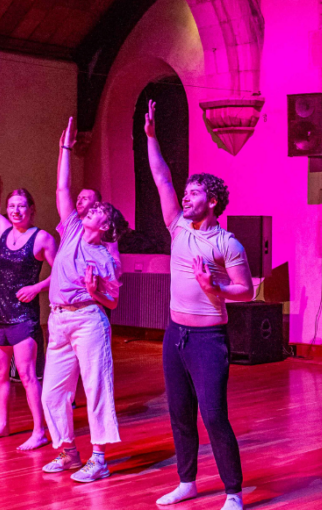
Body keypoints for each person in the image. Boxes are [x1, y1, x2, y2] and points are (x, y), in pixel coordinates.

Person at [144, 99, 254, 509]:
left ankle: (233, 492)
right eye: (186, 192)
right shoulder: (178, 228)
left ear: (212, 202)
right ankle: (187, 481)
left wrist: (216, 290)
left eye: (194, 194)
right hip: (175, 334)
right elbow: (161, 178)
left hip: (209, 340)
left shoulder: (227, 243)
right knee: (179, 413)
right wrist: (152, 137)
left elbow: (248, 291)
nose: (185, 197)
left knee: (213, 416)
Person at [40, 118, 127, 483]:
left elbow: (113, 303)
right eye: (92, 209)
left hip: (89, 320)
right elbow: (62, 188)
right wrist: (64, 149)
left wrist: (96, 292)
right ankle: (69, 452)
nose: (91, 210)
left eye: (99, 211)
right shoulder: (72, 228)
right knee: (52, 393)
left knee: (96, 388)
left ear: (106, 226)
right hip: (58, 320)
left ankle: (100, 458)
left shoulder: (106, 257)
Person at [0, 131, 57, 451]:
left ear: (31, 209)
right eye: (11, 206)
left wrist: (38, 286)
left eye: (21, 206)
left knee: (29, 375)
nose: (16, 210)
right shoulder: (1, 229)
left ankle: (39, 430)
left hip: (23, 319)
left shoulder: (42, 238)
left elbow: (61, 274)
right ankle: (3, 424)